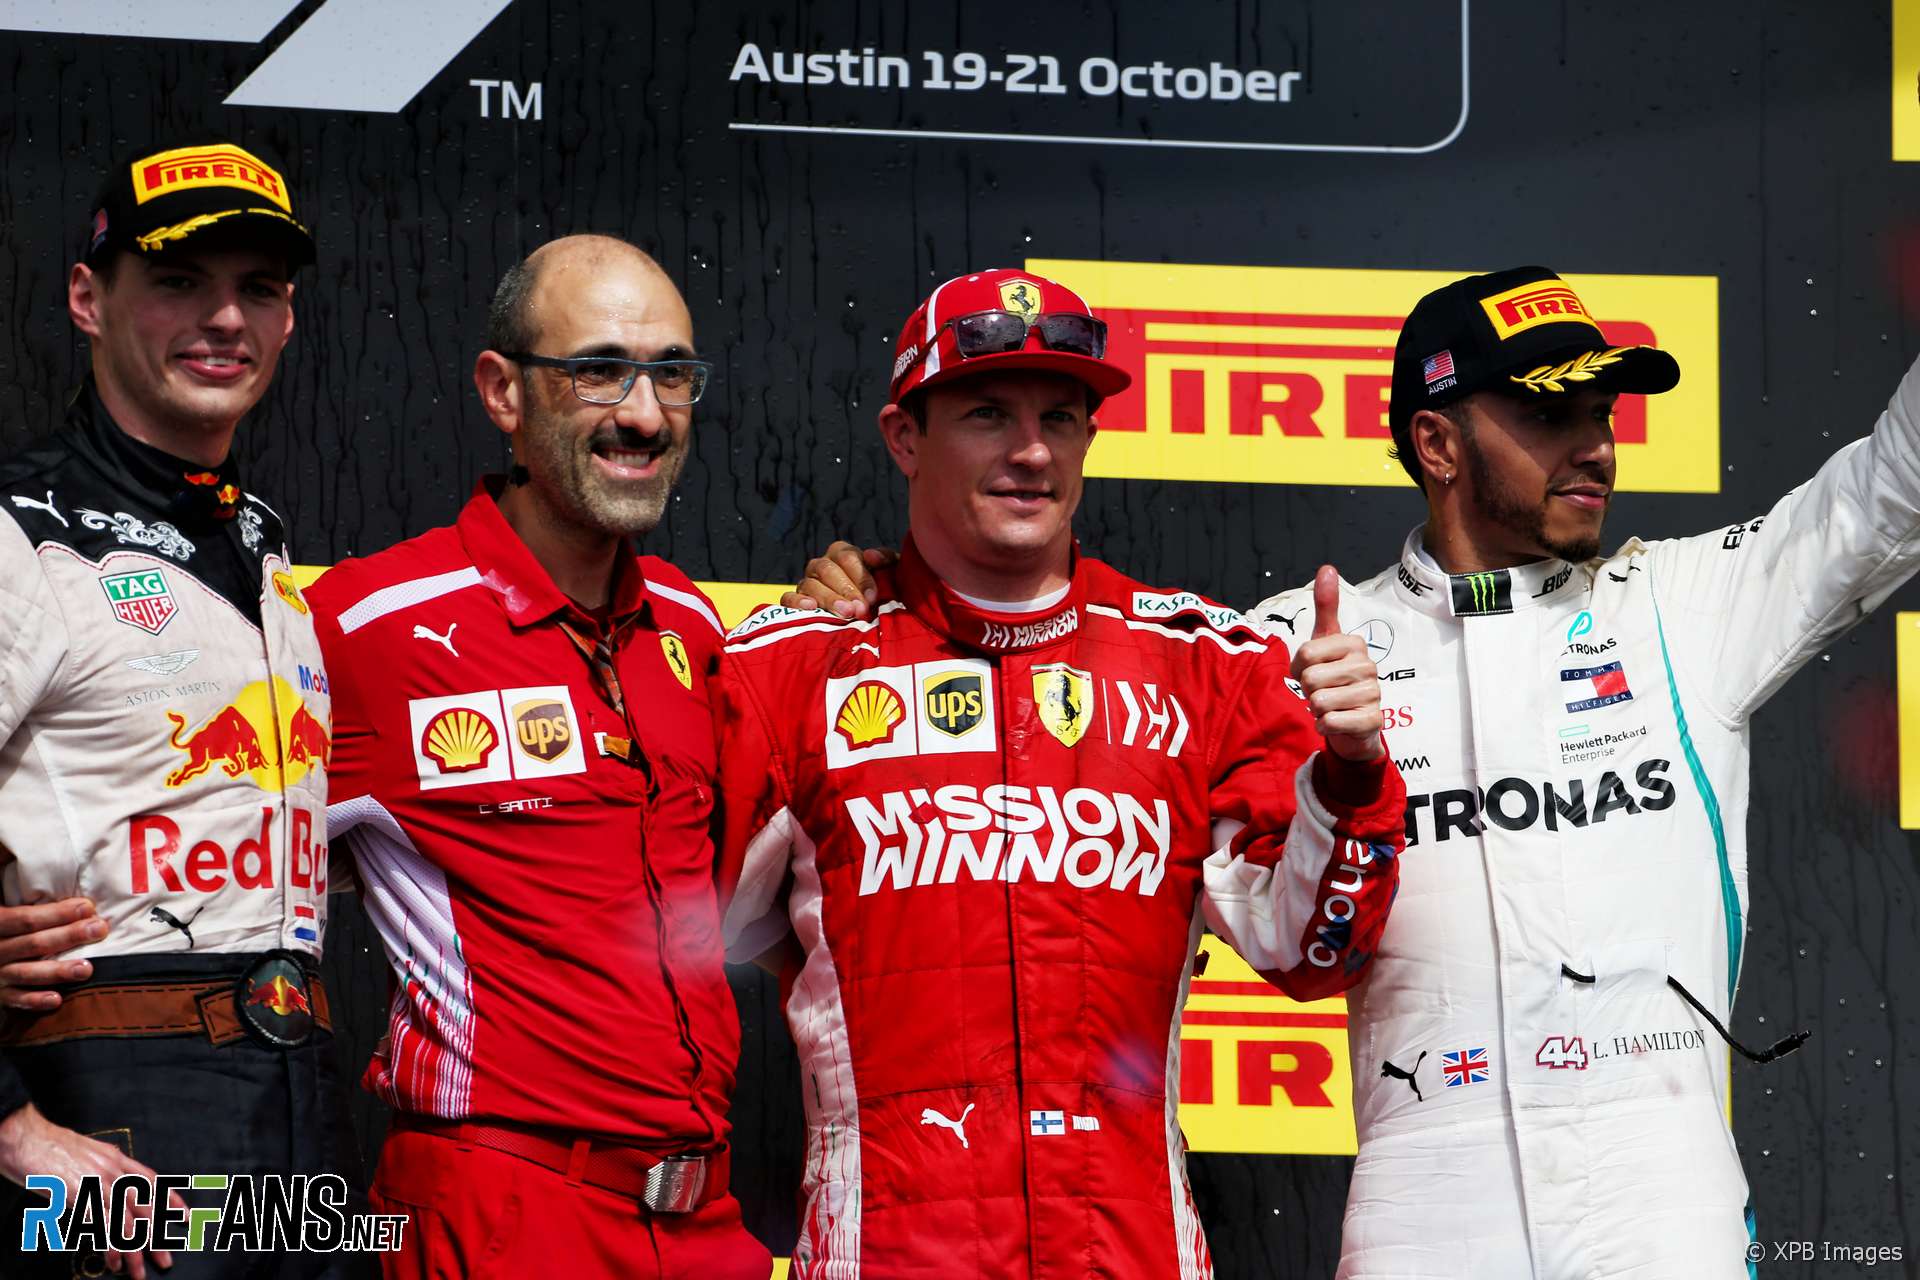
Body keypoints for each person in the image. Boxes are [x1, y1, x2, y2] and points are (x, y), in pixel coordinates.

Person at [795, 265, 1920, 1278]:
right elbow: (1061, 769)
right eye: (1548, 409)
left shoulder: (1691, 605)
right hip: (1426, 1178)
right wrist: (881, 610)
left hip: (1657, 1172)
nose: (1595, 442)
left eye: (1603, 410)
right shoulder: (1287, 645)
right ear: (1436, 445)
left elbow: (1891, 489)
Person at [714, 268, 1408, 1279]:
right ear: (905, 437)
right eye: (988, 414)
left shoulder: (1205, 665)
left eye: (1062, 416)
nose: (1031, 451)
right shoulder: (798, 662)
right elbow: (688, 930)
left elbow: (1311, 950)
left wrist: (1351, 772)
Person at [306, 234, 771, 1279]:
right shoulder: (365, 624)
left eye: (673, 375)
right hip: (505, 1210)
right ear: (503, 392)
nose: (645, 415)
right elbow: (162, 822)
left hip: (706, 1218)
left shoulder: (698, 629)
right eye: (599, 369)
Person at [0, 138, 358, 1278]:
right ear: (86, 298)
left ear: (291, 319)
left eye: (258, 288)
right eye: (177, 282)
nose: (224, 320)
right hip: (112, 1122)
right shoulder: (17, 529)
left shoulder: (264, 545)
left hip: (304, 1121)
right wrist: (16, 1136)